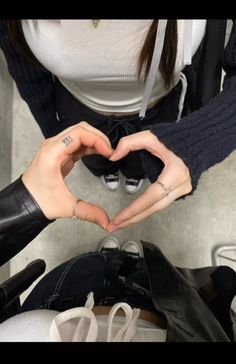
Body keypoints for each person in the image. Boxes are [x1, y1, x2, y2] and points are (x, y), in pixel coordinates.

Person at [0, 122, 235, 342]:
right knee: (140, 271)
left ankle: (113, 258)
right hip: (171, 315)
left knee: (97, 265)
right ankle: (128, 260)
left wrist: (22, 205)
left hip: (62, 298)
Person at [0, 19, 233, 201]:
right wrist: (53, 131)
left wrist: (203, 136)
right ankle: (106, 170)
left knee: (140, 164)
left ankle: (134, 174)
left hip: (161, 109)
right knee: (98, 161)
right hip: (79, 110)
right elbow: (27, 73)